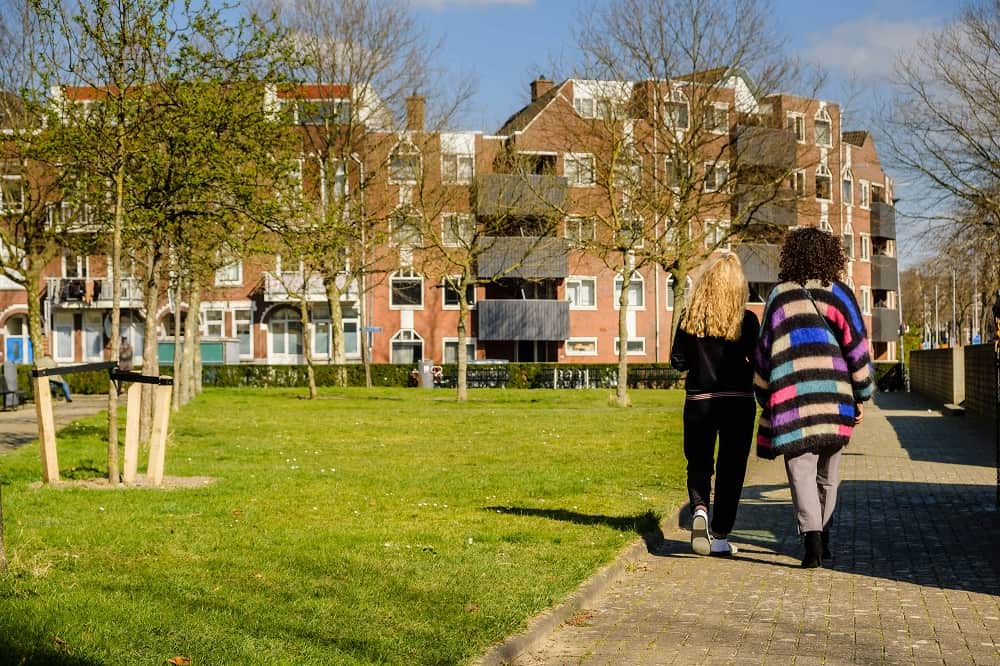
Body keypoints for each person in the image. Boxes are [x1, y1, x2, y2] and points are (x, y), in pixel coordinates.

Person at [753, 228, 873, 568]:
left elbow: (764, 352)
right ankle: (826, 535)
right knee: (828, 472)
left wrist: (764, 394)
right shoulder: (840, 295)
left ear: (791, 256)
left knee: (800, 470)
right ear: (830, 255)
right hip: (835, 397)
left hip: (792, 398)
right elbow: (857, 348)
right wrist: (861, 394)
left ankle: (812, 542)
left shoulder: (778, 297)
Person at [670, 253, 760, 557]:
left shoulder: (688, 319)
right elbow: (759, 362)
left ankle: (699, 510)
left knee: (699, 462)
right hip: (738, 402)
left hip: (699, 401)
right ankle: (720, 536)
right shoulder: (747, 321)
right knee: (731, 469)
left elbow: (677, 362)